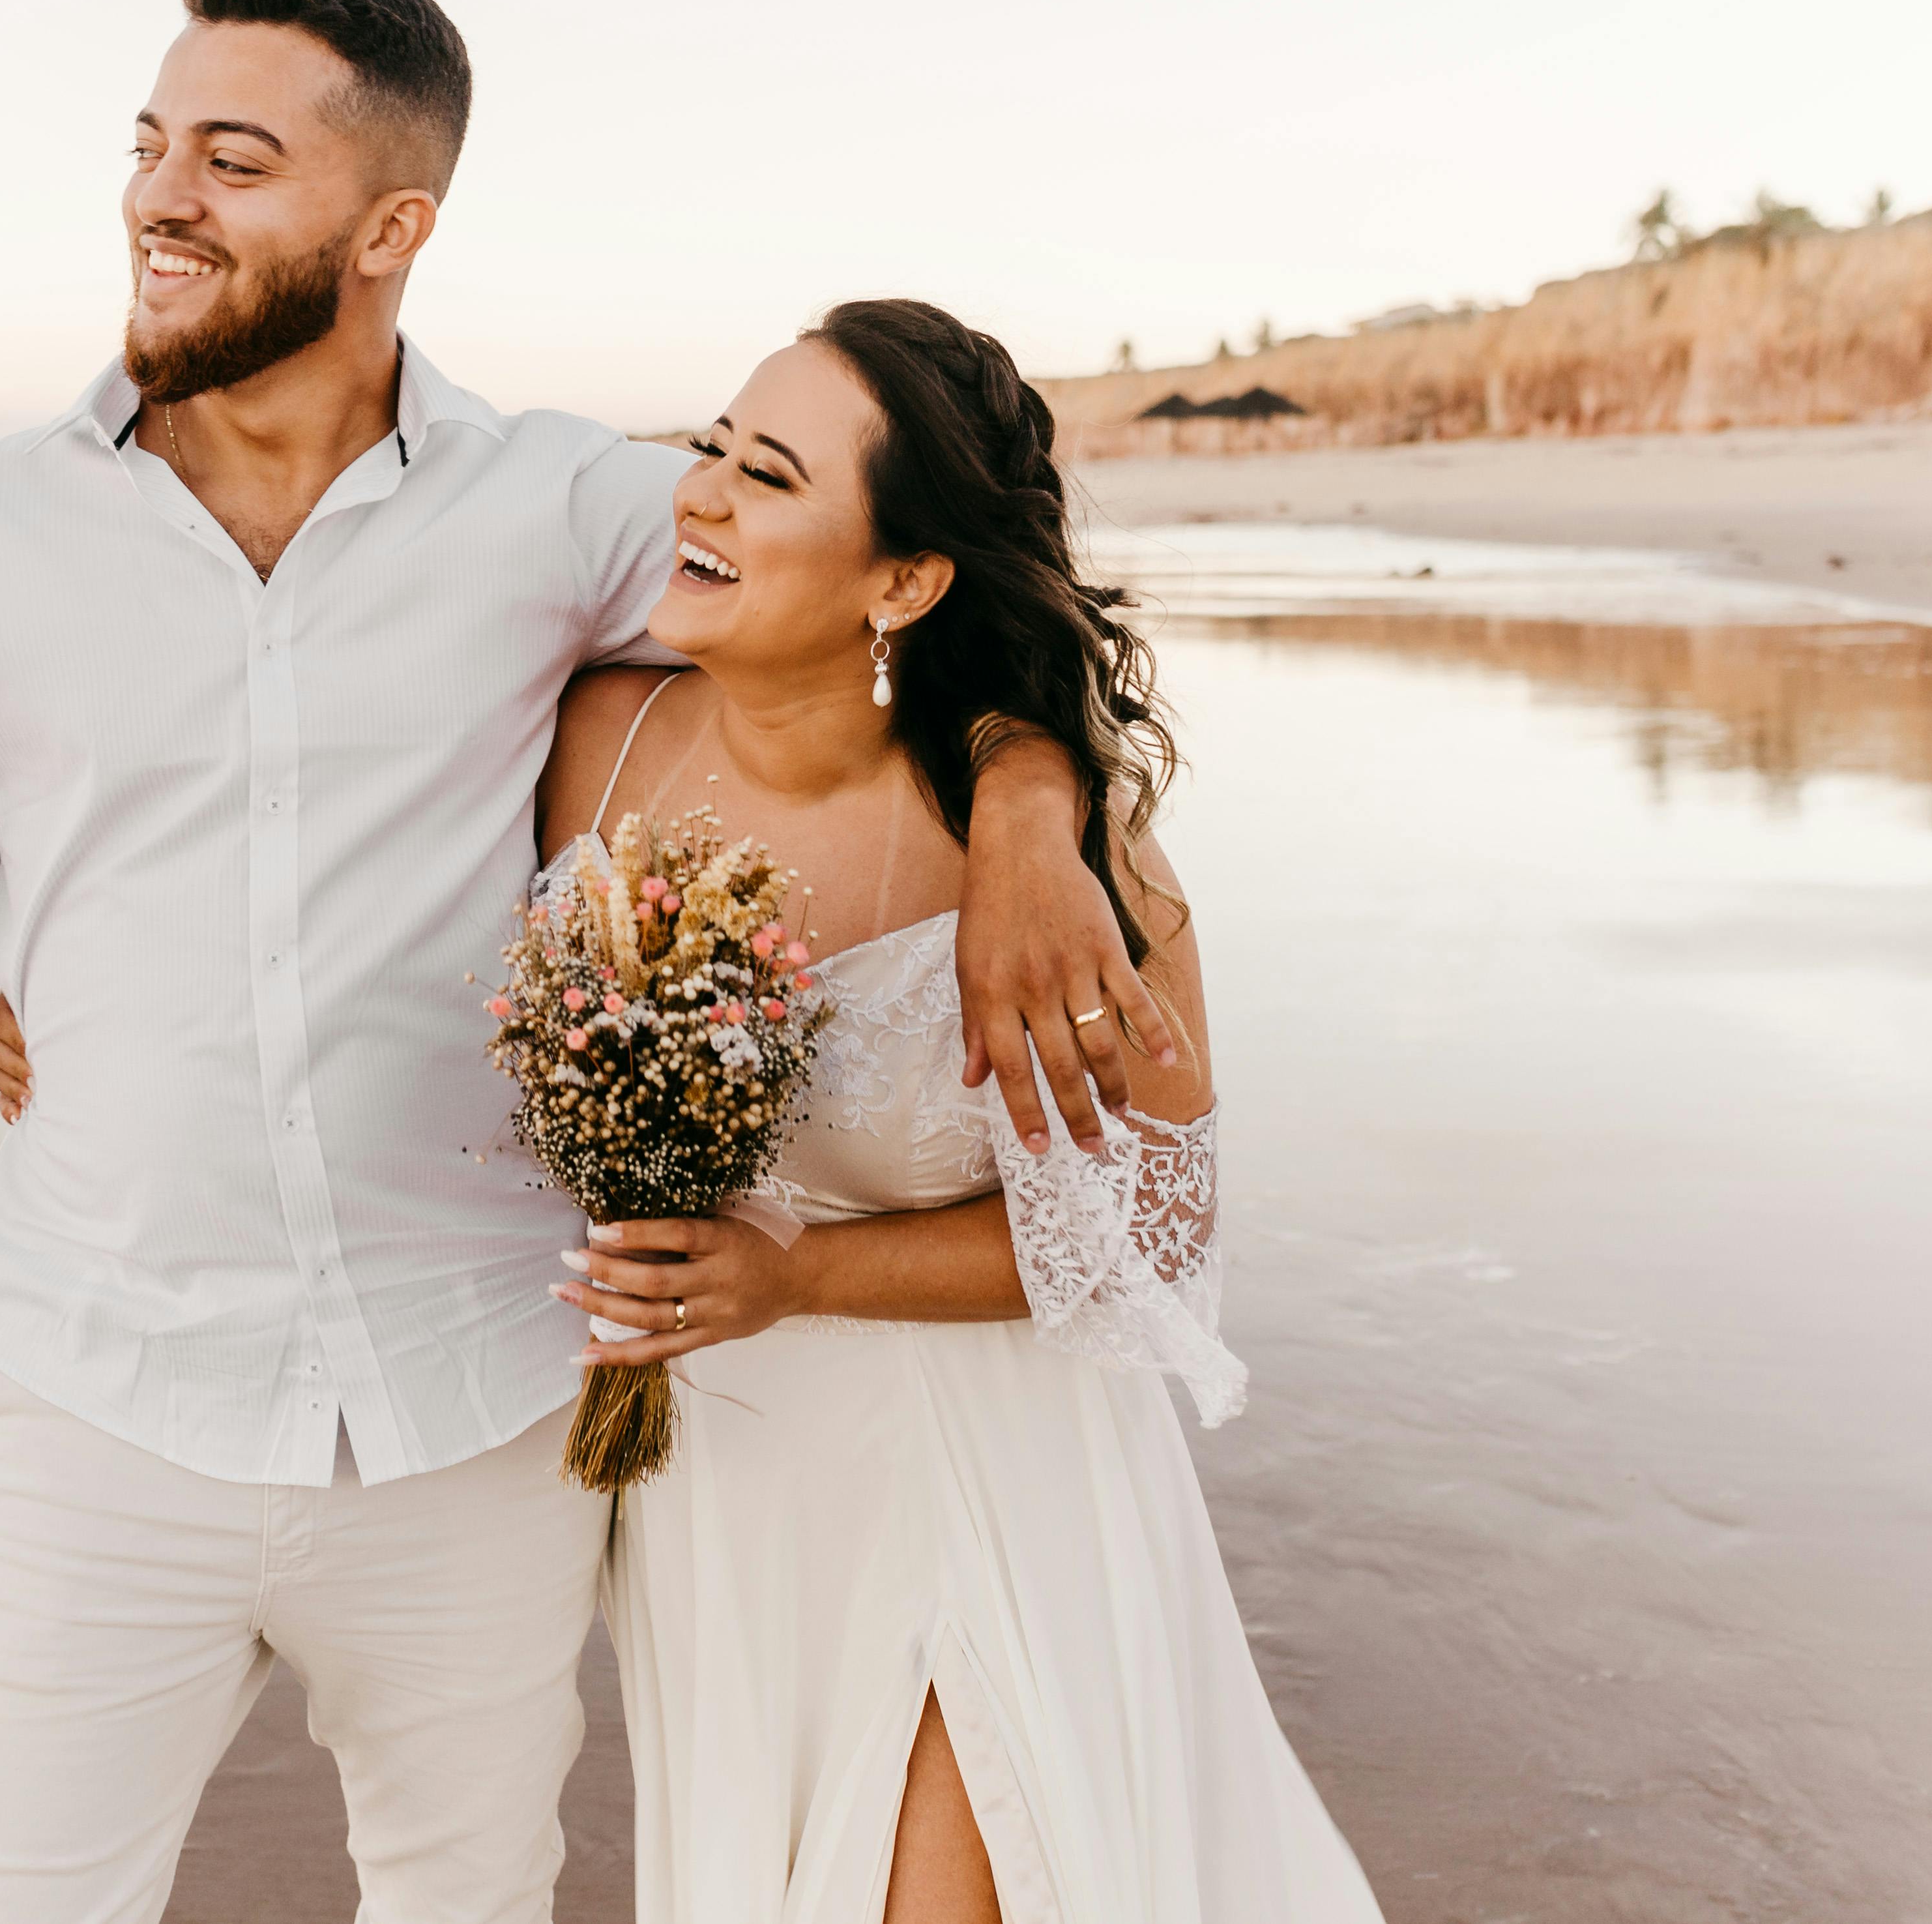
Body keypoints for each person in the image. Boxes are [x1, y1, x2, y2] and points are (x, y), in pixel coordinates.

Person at [0, 0, 1152, 1923]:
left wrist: (1027, 808)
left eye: (232, 158)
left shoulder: (551, 505)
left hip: (471, 1412)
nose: (159, 197)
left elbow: (899, 589)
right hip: (89, 1410)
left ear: (390, 228)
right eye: (148, 147)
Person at [540, 302, 1381, 1919]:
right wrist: (50, 1014)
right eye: (711, 445)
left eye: (767, 475)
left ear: (904, 581)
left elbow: (1150, 1238)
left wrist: (798, 1276)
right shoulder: (592, 739)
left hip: (990, 1475)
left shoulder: (1071, 875)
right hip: (726, 1493)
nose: (699, 493)